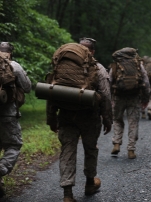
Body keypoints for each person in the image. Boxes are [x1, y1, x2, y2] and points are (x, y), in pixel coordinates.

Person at [46, 38, 113, 202]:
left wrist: (51, 118)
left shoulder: (61, 66)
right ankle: (90, 183)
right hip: (89, 116)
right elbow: (105, 95)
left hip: (66, 115)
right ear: (93, 51)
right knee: (90, 149)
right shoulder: (98, 68)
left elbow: (52, 92)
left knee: (67, 151)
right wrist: (107, 118)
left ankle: (67, 194)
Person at [0, 42, 32, 198]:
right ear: (10, 53)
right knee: (14, 144)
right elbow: (27, 87)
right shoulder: (13, 65)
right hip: (8, 115)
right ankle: (1, 168)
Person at [109, 47, 150, 159]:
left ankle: (117, 143)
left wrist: (110, 98)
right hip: (134, 97)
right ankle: (131, 150)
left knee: (117, 120)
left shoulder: (116, 65)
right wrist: (146, 99)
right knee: (133, 122)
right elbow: (146, 82)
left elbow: (109, 81)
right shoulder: (138, 65)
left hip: (119, 97)